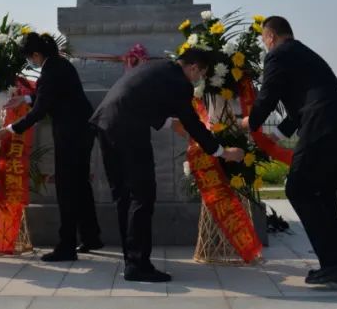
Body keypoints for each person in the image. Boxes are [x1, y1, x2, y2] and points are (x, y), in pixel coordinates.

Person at [91, 48, 246, 283]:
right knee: (142, 196)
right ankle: (138, 265)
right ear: (194, 67)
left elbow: (146, 101)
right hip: (128, 130)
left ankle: (131, 260)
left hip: (105, 124)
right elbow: (193, 123)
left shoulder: (159, 68)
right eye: (200, 74)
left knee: (125, 196)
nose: (198, 80)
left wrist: (171, 122)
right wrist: (223, 152)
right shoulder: (180, 83)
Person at [240, 16, 337, 285]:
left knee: (298, 188)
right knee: (322, 191)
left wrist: (250, 122)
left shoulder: (277, 55)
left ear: (271, 37)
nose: (265, 46)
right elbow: (299, 109)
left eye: (265, 40)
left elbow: (268, 95)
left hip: (325, 125)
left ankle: (334, 262)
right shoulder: (303, 54)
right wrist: (274, 136)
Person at [0, 32, 102, 262]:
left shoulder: (50, 71)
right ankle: (91, 236)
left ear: (36, 54)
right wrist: (23, 99)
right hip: (82, 131)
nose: (30, 63)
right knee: (81, 185)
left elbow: (40, 110)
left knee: (66, 188)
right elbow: (50, 96)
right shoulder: (60, 65)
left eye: (29, 58)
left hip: (71, 135)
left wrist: (11, 129)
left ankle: (67, 246)